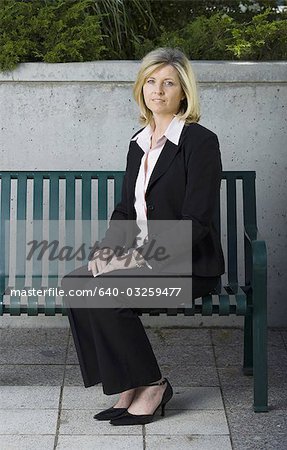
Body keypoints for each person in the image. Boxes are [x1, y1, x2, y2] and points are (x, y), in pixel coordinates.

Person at [61, 47, 225, 426]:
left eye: (169, 83)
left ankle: (152, 384)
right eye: (151, 82)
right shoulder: (139, 142)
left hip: (188, 266)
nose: (158, 90)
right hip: (144, 259)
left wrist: (135, 258)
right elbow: (125, 211)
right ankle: (129, 384)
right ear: (141, 89)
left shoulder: (200, 142)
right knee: (77, 283)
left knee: (106, 291)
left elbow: (197, 221)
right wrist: (106, 251)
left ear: (183, 92)